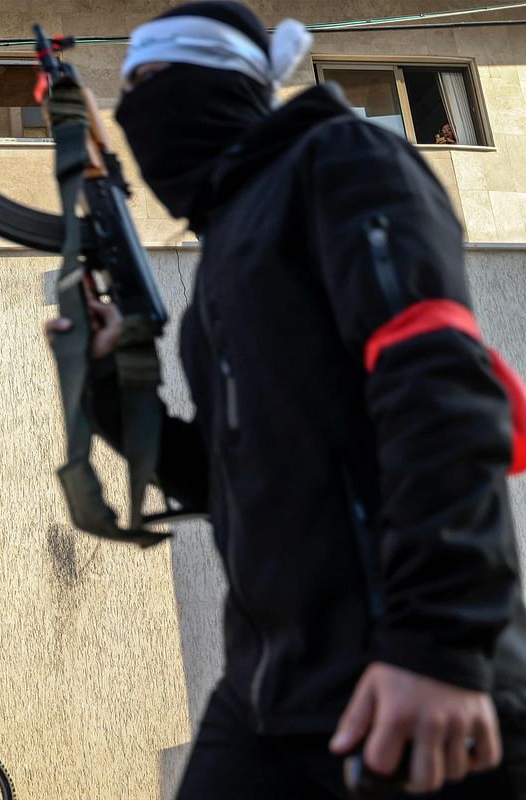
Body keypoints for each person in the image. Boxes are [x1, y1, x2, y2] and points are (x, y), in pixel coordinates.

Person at [47, 2, 526, 797]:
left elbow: (441, 389)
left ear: (220, 80)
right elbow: (222, 478)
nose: (135, 111)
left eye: (152, 80)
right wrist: (103, 381)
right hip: (269, 693)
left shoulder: (343, 161)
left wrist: (437, 647)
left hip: (401, 678)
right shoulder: (229, 251)